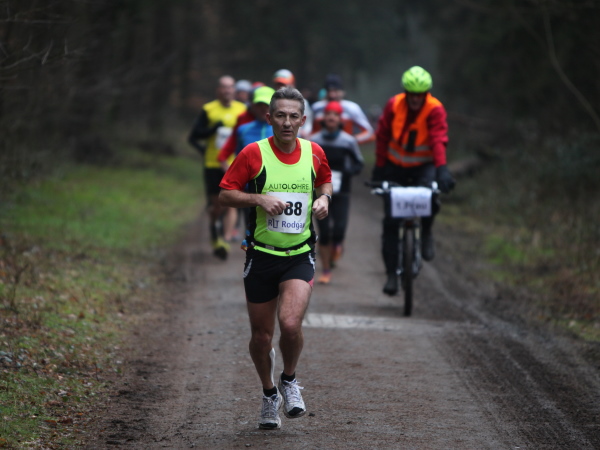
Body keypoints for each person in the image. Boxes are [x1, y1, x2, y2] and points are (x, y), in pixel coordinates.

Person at [219, 87, 332, 430]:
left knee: (291, 324)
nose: (286, 122)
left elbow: (325, 182)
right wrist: (258, 199)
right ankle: (269, 393)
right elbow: (225, 194)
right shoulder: (253, 153)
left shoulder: (314, 153)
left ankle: (289, 379)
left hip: (298, 255)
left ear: (303, 120)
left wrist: (324, 200)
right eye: (280, 115)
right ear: (269, 118)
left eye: (293, 116)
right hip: (261, 256)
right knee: (261, 337)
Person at [372, 66, 455, 295]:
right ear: (406, 92)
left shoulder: (435, 109)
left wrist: (442, 169)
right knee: (390, 222)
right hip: (394, 165)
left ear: (426, 93)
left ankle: (426, 231)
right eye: (412, 94)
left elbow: (438, 139)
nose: (416, 99)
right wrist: (379, 168)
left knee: (431, 197)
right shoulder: (394, 105)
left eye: (420, 94)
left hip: (424, 166)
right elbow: (382, 136)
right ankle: (391, 274)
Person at [188, 75, 247, 259]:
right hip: (213, 164)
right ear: (218, 90)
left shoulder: (242, 110)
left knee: (232, 204)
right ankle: (215, 232)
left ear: (234, 90)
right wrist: (212, 132)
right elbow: (194, 135)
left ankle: (225, 240)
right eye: (223, 87)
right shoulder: (209, 109)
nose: (227, 90)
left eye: (230, 87)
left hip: (234, 164)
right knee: (216, 205)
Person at [309, 101, 364, 284]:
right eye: (328, 114)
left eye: (335, 114)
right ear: (323, 118)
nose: (331, 117)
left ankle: (337, 246)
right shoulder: (314, 140)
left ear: (341, 120)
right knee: (324, 232)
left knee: (339, 230)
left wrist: (349, 171)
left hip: (342, 192)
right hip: (320, 192)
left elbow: (359, 163)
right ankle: (326, 270)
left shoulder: (348, 141)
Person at [311, 73, 374, 144]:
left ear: (343, 92)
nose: (332, 95)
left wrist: (352, 140)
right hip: (320, 147)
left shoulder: (351, 108)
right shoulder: (317, 107)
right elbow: (309, 130)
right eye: (329, 90)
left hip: (344, 148)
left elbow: (369, 131)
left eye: (335, 91)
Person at [272, 69, 313, 139]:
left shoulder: (303, 102)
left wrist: (303, 132)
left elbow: (308, 123)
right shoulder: (270, 101)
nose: (280, 87)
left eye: (284, 84)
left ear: (292, 84)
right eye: (278, 84)